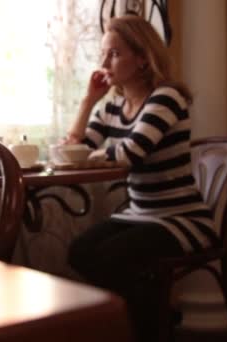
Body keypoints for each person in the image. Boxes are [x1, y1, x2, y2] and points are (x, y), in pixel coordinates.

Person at [66, 15, 215, 341]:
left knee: (110, 257)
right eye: (104, 53)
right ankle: (153, 316)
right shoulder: (113, 106)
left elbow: (132, 153)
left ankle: (143, 324)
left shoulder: (166, 97)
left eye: (115, 54)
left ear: (143, 59)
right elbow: (75, 150)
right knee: (78, 252)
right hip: (140, 215)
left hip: (182, 219)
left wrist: (95, 156)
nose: (104, 62)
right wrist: (89, 100)